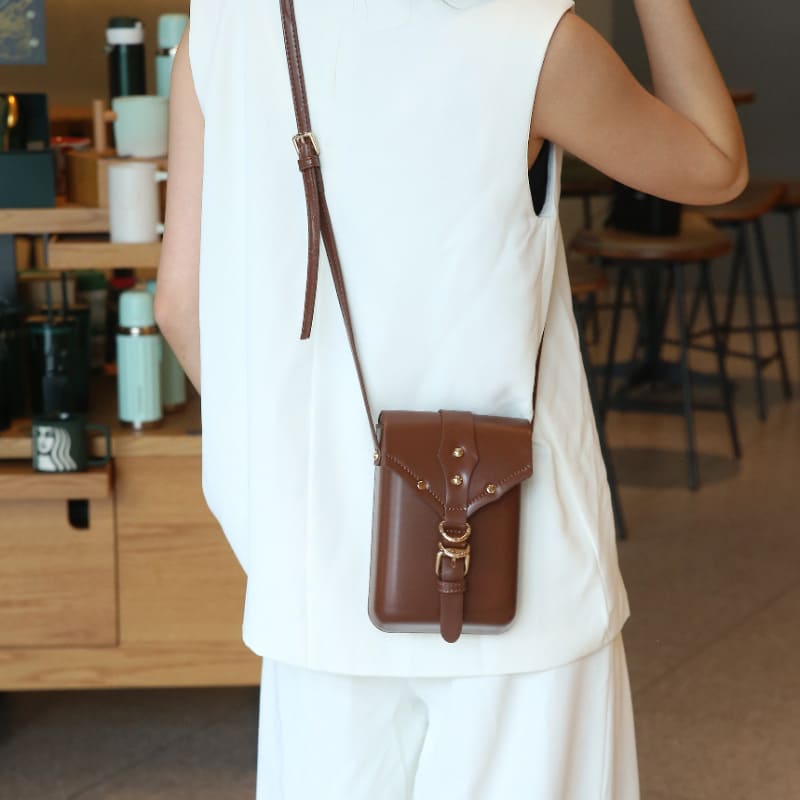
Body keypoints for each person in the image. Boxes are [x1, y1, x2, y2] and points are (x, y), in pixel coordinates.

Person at [155, 0, 747, 797]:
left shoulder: (224, 29)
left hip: (314, 583)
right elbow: (717, 164)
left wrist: (307, 458)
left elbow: (181, 309)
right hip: (519, 575)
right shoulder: (534, 42)